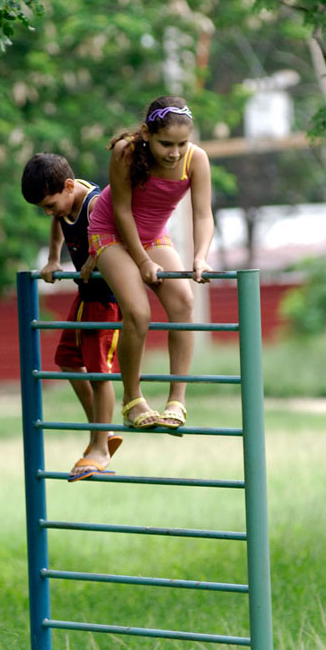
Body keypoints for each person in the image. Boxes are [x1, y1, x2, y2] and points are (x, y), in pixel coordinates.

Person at [85, 95, 214, 430]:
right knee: (138, 312)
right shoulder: (125, 152)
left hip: (154, 235)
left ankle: (177, 400)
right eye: (165, 143)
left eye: (182, 143)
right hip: (111, 232)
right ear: (146, 133)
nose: (174, 152)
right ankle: (132, 400)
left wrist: (200, 257)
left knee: (184, 301)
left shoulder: (195, 160)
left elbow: (203, 214)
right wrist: (142, 261)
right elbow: (121, 212)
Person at [21, 153, 122, 481]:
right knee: (66, 357)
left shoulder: (94, 204)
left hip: (106, 298)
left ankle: (100, 446)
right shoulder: (65, 204)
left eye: (50, 204)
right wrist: (53, 258)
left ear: (68, 186)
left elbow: (121, 233)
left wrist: (96, 253)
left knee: (99, 372)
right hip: (85, 294)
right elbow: (58, 223)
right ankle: (100, 429)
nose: (50, 213)